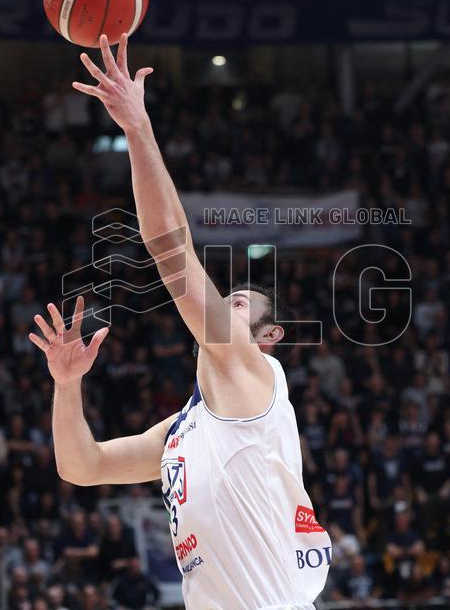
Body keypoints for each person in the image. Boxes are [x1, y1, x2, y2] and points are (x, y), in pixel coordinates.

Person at [30, 33, 330, 609]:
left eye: (237, 304)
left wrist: (138, 130)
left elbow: (170, 250)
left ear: (267, 340)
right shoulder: (181, 432)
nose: (220, 304)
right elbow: (81, 466)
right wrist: (67, 387)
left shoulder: (255, 379)